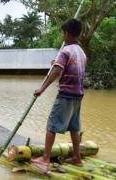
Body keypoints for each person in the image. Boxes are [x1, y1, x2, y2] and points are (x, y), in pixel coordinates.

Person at [31, 19, 87, 173]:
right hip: (78, 95)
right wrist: (56, 63)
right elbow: (69, 69)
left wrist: (41, 89)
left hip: (66, 94)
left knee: (52, 125)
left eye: (63, 33)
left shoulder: (65, 51)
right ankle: (77, 157)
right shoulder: (80, 52)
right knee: (74, 127)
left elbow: (56, 72)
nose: (63, 35)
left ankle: (45, 158)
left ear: (67, 33)